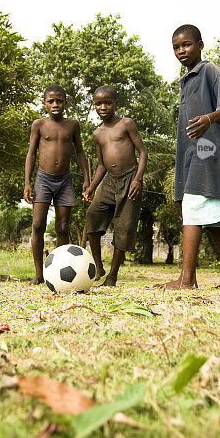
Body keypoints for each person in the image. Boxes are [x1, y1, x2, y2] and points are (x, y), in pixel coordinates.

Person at [165, 24, 220, 290]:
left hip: (211, 152)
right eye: (176, 47)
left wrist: (210, 118)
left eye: (186, 45)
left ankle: (187, 280)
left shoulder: (209, 71)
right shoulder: (186, 80)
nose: (181, 51)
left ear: (200, 45)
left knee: (192, 207)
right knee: (211, 218)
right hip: (195, 155)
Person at [24, 85, 89, 284]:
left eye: (59, 100)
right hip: (43, 179)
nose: (55, 104)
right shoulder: (39, 125)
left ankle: (60, 273)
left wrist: (87, 179)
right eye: (50, 101)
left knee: (62, 227)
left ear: (65, 102)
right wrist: (27, 182)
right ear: (44, 103)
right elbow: (31, 154)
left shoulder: (73, 125)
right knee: (37, 225)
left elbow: (79, 152)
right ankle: (39, 273)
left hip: (65, 180)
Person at [83, 86, 148, 287]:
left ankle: (112, 276)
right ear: (94, 105)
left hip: (130, 179)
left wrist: (137, 179)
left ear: (115, 103)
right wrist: (92, 187)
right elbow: (102, 164)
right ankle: (99, 267)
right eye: (98, 103)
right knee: (92, 216)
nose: (103, 107)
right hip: (110, 182)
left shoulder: (126, 124)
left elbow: (143, 153)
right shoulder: (97, 134)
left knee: (124, 227)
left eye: (107, 103)